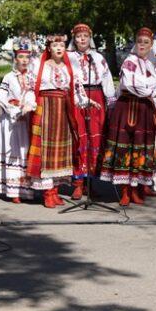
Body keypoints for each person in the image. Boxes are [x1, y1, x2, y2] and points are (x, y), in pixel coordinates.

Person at [24, 33, 90, 208]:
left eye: (62, 45)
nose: (59, 48)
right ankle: (47, 193)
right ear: (49, 48)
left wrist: (87, 101)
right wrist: (29, 103)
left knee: (61, 150)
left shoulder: (69, 67)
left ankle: (55, 190)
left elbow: (76, 88)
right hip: (45, 106)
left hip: (63, 108)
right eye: (55, 46)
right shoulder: (40, 65)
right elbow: (31, 86)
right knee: (45, 149)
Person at [100, 27, 156, 206]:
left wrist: (150, 93)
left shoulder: (150, 65)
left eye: (146, 43)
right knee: (124, 147)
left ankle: (135, 189)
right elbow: (132, 84)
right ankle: (125, 191)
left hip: (144, 110)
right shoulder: (130, 61)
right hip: (127, 108)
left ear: (151, 46)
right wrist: (149, 90)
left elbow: (154, 89)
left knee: (140, 148)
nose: (142, 45)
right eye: (140, 42)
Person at [68, 23, 117, 199]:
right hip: (77, 98)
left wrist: (110, 103)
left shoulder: (98, 58)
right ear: (74, 38)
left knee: (94, 140)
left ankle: (90, 182)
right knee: (79, 139)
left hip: (96, 97)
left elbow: (107, 80)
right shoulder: (69, 57)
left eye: (85, 36)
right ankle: (77, 183)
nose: (82, 39)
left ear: (90, 39)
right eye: (79, 36)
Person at [0, 39, 37, 203]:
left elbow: (33, 95)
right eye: (21, 57)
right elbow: (0, 95)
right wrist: (13, 109)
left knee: (24, 151)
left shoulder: (32, 77)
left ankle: (25, 189)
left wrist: (29, 105)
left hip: (26, 119)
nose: (24, 60)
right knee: (12, 151)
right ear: (15, 59)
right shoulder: (9, 77)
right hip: (11, 120)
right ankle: (12, 192)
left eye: (27, 57)